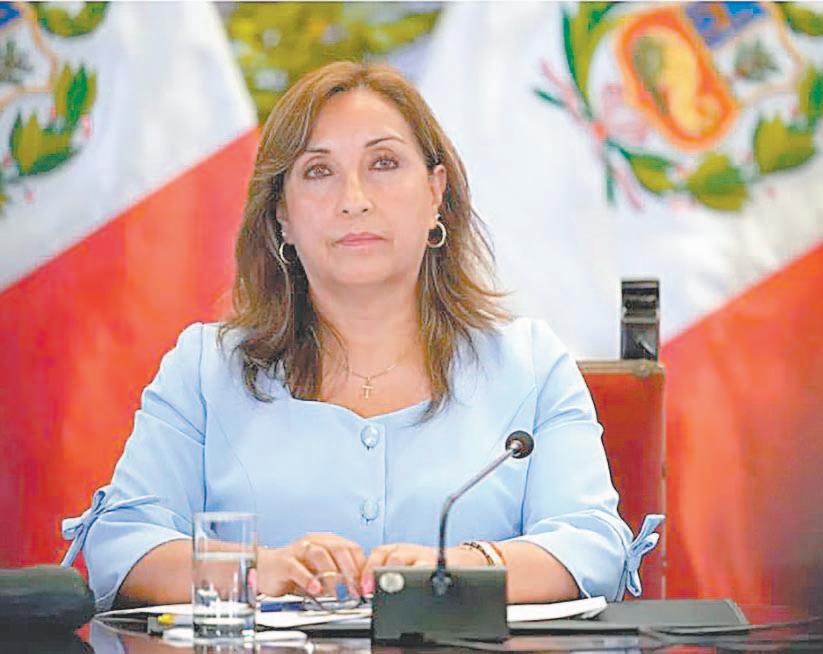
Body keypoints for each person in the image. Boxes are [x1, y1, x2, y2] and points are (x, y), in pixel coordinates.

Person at [62, 61, 655, 611]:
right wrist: (261, 569)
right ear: (282, 217)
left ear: (435, 193)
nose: (354, 200)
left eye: (384, 164)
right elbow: (122, 545)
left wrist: (458, 569)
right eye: (318, 171)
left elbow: (591, 547)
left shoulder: (528, 363)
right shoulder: (205, 369)